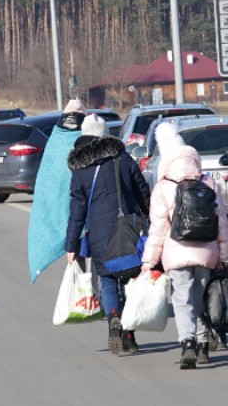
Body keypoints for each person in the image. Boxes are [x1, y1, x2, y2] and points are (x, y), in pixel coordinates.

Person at [140, 122, 228, 369]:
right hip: (207, 251)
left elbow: (157, 230)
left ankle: (188, 343)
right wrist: (224, 255)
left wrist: (148, 262)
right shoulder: (209, 182)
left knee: (182, 299)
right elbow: (222, 224)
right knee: (201, 298)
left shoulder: (163, 187)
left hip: (176, 252)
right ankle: (203, 345)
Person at [65, 114, 150, 355]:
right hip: (130, 229)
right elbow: (142, 190)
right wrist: (150, 216)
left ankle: (113, 316)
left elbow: (76, 211)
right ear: (105, 134)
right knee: (132, 280)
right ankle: (130, 334)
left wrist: (71, 245)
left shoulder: (80, 168)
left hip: (99, 233)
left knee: (108, 280)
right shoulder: (122, 158)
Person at [28, 99, 88, 283]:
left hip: (72, 209)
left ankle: (83, 291)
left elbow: (49, 176)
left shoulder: (56, 137)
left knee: (76, 251)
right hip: (90, 205)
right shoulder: (86, 136)